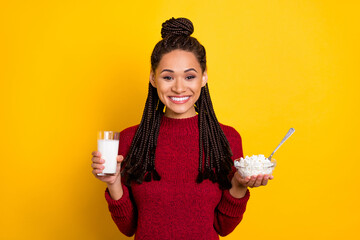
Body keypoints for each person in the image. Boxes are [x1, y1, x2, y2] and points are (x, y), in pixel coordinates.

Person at [91, 17, 273, 239]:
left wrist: (239, 185)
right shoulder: (131, 139)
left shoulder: (226, 139)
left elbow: (223, 228)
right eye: (168, 77)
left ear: (204, 78)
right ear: (153, 78)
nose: (179, 88)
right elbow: (129, 228)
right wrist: (113, 183)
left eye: (189, 76)